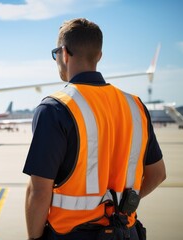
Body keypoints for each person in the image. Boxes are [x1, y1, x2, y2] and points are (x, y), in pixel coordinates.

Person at [23, 18, 166, 240]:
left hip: (71, 234)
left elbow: (39, 191)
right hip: (126, 232)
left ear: (63, 53)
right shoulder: (135, 105)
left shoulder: (55, 108)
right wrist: (126, 204)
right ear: (99, 56)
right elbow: (158, 174)